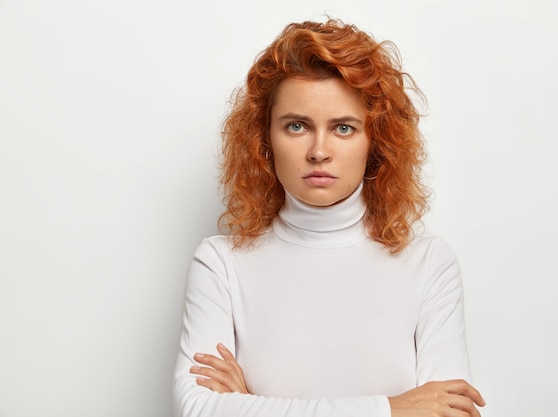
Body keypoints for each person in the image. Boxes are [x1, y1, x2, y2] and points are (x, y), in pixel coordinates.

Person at [173, 18, 485, 417]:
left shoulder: (429, 265)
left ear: (376, 141)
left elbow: (450, 413)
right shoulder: (220, 263)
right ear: (264, 138)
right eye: (297, 126)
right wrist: (393, 409)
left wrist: (251, 406)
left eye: (343, 128)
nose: (319, 151)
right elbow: (199, 410)